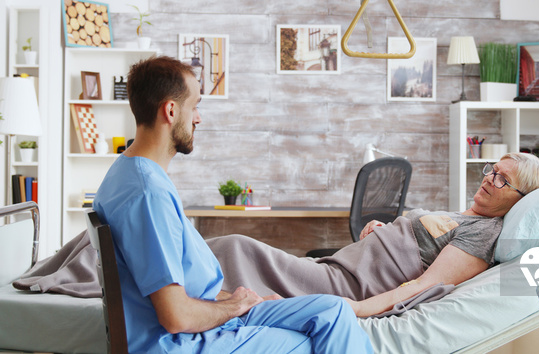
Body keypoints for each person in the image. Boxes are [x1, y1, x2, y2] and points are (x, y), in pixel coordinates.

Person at [93, 56, 373, 354]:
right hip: (180, 343)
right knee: (313, 343)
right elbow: (176, 317)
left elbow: (182, 290)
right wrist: (236, 306)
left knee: (334, 311)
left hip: (207, 319)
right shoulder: (147, 194)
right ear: (171, 111)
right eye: (195, 106)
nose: (198, 118)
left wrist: (237, 301)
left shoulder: (127, 172)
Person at [213, 152, 539, 318]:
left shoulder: (484, 232)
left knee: (237, 246)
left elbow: (427, 284)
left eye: (501, 180)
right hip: (342, 265)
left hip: (347, 284)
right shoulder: (464, 214)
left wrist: (357, 309)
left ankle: (178, 291)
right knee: (239, 251)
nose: (487, 179)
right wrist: (380, 233)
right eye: (491, 170)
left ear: (519, 198)